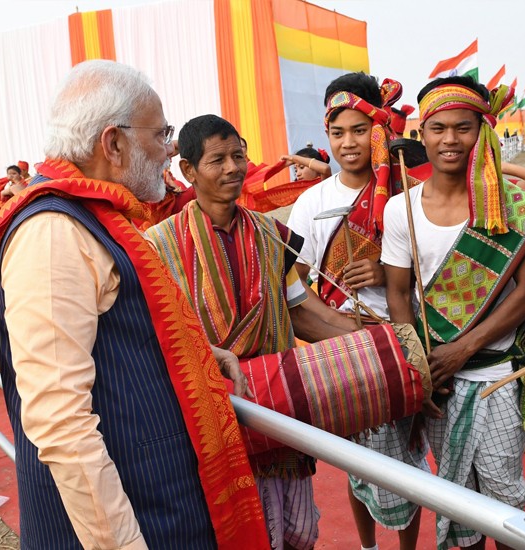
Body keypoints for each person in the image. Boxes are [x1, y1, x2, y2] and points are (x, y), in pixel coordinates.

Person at [0, 60, 269, 550]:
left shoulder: (94, 218)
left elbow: (113, 340)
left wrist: (197, 353)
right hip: (128, 523)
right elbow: (60, 421)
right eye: (161, 133)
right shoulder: (54, 233)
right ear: (114, 143)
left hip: (154, 500)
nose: (169, 148)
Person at [146, 114, 358, 550]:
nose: (232, 168)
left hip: (278, 404)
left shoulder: (272, 235)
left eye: (238, 156)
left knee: (299, 532)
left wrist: (372, 337)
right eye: (217, 159)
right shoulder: (157, 246)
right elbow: (155, 335)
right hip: (212, 412)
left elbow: (301, 311)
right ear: (188, 170)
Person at [383, 75, 525, 550]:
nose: (450, 140)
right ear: (422, 133)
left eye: (463, 128)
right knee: (459, 497)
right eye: (438, 128)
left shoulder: (512, 206)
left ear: (483, 133)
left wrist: (464, 347)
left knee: (504, 498)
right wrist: (420, 366)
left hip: (495, 372)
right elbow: (399, 294)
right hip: (438, 379)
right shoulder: (401, 210)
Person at [286, 72, 429, 550]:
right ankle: (368, 546)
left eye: (359, 130)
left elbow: (431, 275)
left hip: (399, 338)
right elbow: (296, 282)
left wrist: (387, 271)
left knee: (406, 456)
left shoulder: (409, 192)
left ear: (381, 129)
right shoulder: (312, 202)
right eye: (337, 132)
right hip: (338, 344)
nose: (349, 143)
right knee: (353, 457)